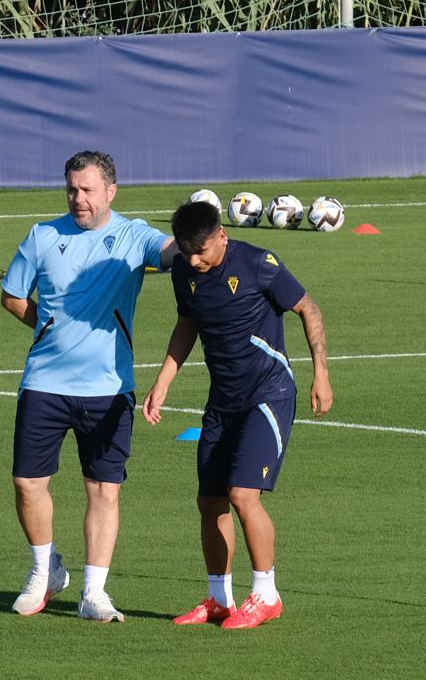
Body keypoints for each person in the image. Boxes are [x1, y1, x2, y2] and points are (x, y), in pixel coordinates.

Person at [1, 150, 177, 622]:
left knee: (103, 490)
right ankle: (45, 570)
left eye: (87, 190)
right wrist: (47, 329)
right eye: (72, 190)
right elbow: (13, 296)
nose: (78, 199)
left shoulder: (133, 235)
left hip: (108, 387)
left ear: (111, 191)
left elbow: (172, 252)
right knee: (27, 482)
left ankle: (93, 593)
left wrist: (194, 233)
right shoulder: (43, 235)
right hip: (44, 382)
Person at [142, 200, 332, 629]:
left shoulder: (258, 264)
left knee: (244, 495)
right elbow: (187, 324)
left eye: (202, 251)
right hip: (222, 402)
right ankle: (218, 599)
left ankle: (267, 595)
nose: (194, 260)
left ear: (222, 236)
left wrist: (321, 372)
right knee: (209, 501)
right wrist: (163, 382)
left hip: (268, 395)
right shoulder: (184, 271)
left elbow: (308, 307)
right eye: (187, 252)